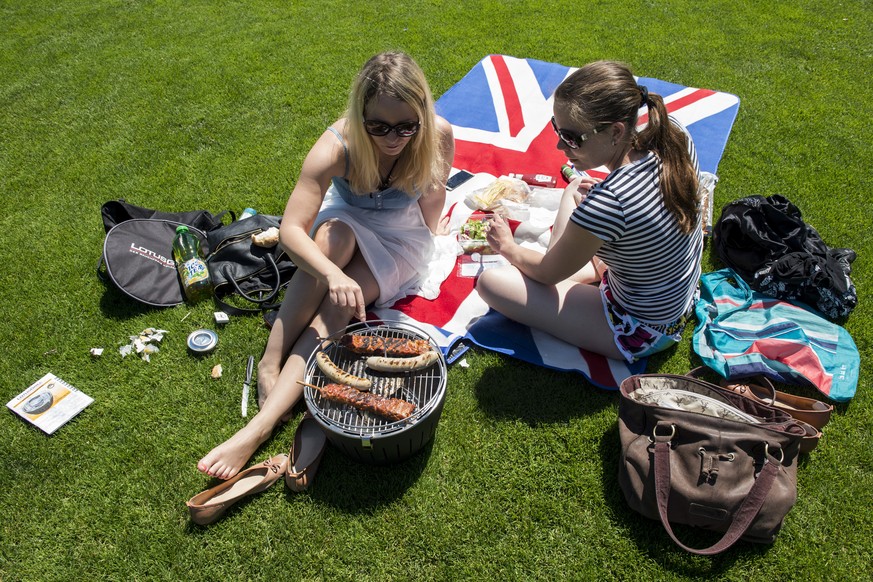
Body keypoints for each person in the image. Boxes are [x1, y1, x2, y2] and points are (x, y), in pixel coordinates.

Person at [197, 52, 455, 480]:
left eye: (407, 126)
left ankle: (258, 429)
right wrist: (332, 272)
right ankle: (270, 359)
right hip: (345, 218)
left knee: (337, 309)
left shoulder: (438, 134)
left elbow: (433, 194)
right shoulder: (336, 146)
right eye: (379, 127)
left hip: (399, 236)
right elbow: (291, 231)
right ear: (361, 116)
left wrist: (434, 233)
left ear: (423, 115)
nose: (394, 138)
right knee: (329, 242)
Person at [476, 60, 703, 363]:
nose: (560, 145)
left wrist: (508, 246)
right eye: (557, 130)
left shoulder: (608, 203)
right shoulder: (674, 135)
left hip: (643, 328)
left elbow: (548, 272)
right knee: (582, 237)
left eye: (572, 137)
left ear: (615, 131)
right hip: (677, 294)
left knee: (491, 283)